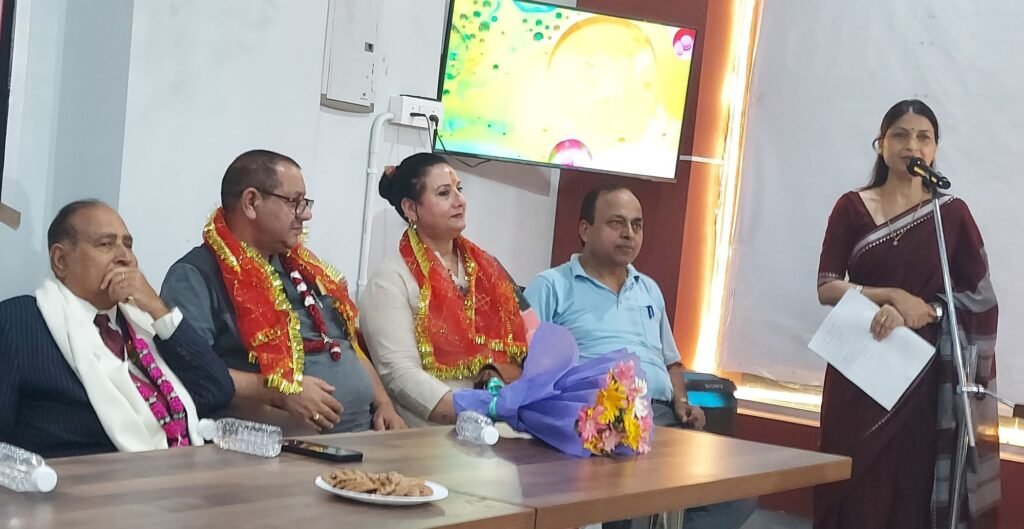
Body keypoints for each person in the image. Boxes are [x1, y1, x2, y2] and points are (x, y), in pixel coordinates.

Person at [814, 99, 1000, 529]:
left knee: (911, 490)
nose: (911, 145)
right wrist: (891, 296)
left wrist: (927, 310)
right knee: (854, 487)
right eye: (900, 135)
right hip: (858, 370)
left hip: (922, 377)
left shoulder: (950, 215)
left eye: (923, 137)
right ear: (880, 145)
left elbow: (978, 297)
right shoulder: (851, 206)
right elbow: (827, 287)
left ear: (934, 150)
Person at [525, 184, 755, 529]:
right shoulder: (552, 286)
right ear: (585, 229)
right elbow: (524, 363)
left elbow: (672, 363)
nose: (628, 234)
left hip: (663, 420)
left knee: (737, 491)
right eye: (616, 223)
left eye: (637, 225)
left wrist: (682, 402)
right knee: (627, 501)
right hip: (599, 422)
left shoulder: (649, 289)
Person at [161, 150, 405, 434]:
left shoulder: (303, 269)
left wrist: (384, 403)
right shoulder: (197, 275)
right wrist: (279, 391)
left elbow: (344, 342)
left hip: (367, 432)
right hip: (275, 444)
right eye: (294, 202)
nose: (307, 214)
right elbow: (189, 371)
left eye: (305, 203)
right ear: (251, 202)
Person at [0, 200, 234, 458]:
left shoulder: (143, 323)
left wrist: (158, 309)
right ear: (61, 260)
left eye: (128, 245)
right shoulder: (19, 322)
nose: (125, 257)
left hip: (172, 472)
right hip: (74, 478)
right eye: (106, 244)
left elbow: (216, 390)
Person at [359, 153, 538, 426]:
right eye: (444, 193)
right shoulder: (389, 280)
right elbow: (401, 375)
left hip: (507, 417)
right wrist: (478, 407)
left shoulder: (489, 268)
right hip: (438, 430)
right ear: (410, 208)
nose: (460, 200)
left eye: (459, 189)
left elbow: (533, 335)